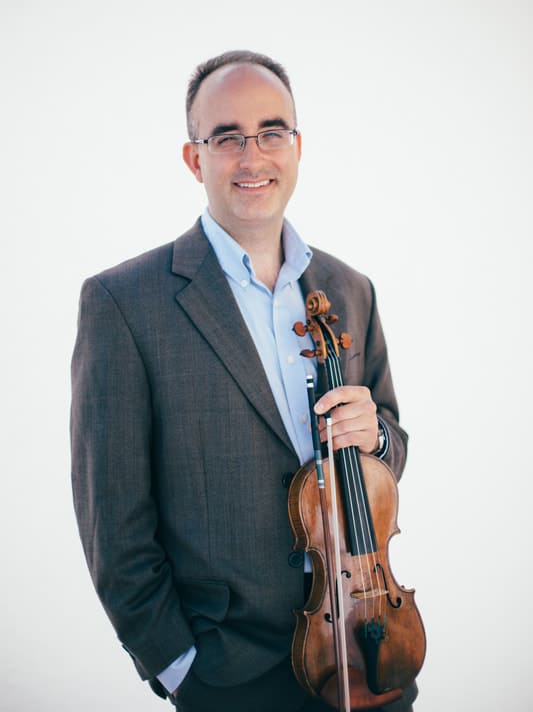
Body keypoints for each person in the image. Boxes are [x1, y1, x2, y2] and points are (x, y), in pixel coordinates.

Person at [71, 50, 418, 712]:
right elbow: (111, 517)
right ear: (193, 158)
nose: (252, 156)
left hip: (373, 639)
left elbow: (392, 449)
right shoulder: (124, 303)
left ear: (297, 146)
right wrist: (179, 667)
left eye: (270, 132)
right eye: (227, 137)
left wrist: (373, 435)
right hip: (228, 670)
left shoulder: (350, 289)